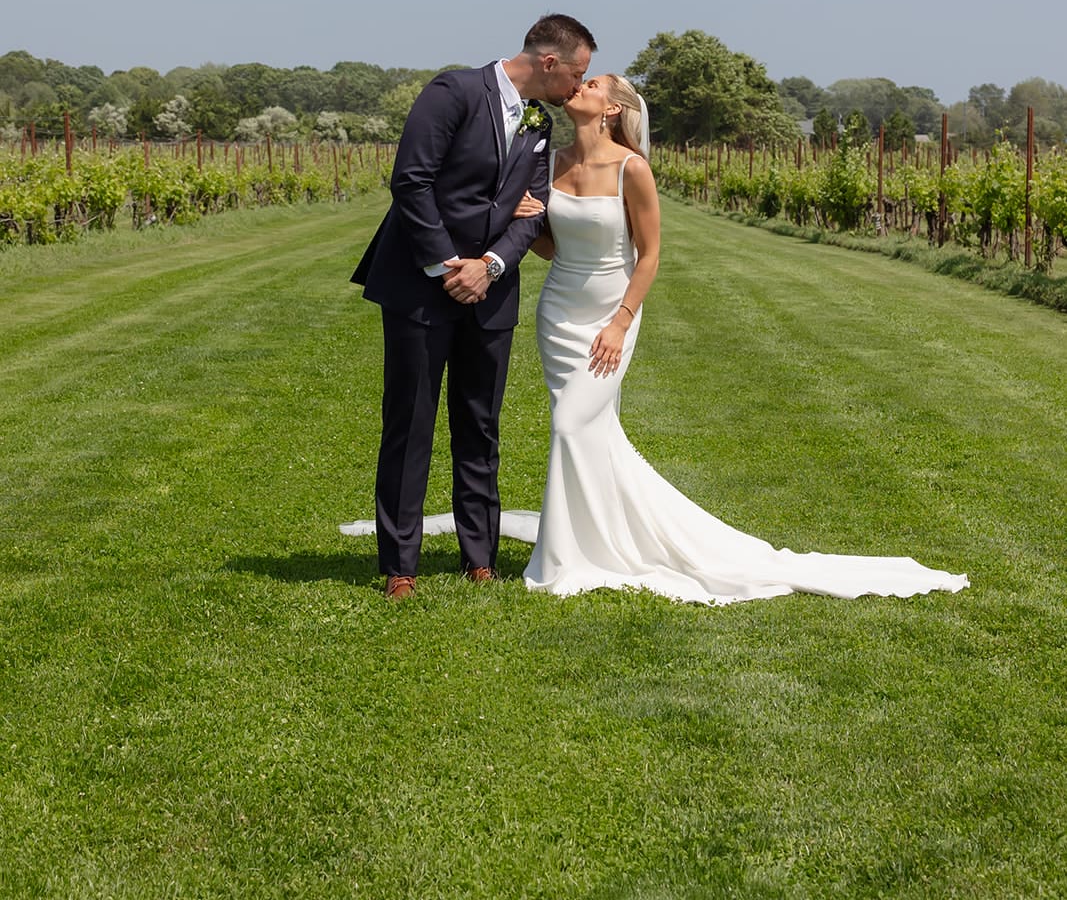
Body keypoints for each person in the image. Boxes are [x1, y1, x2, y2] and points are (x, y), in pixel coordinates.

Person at [349, 72, 968, 607]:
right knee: (588, 432)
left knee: (569, 426)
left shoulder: (633, 168)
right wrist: (516, 228)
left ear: (614, 107)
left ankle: (567, 556)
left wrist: (620, 322)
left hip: (608, 313)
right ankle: (593, 534)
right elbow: (550, 241)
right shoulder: (549, 158)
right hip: (560, 309)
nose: (578, 88)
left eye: (591, 84)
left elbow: (649, 255)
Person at [347, 13, 596, 600]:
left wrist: (489, 267)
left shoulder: (539, 122)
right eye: (577, 75)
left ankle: (478, 556)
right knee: (410, 424)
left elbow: (530, 209)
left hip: (492, 290)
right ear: (549, 62)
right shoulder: (453, 91)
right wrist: (447, 265)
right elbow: (411, 181)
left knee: (480, 425)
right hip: (420, 284)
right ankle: (400, 565)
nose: (579, 89)